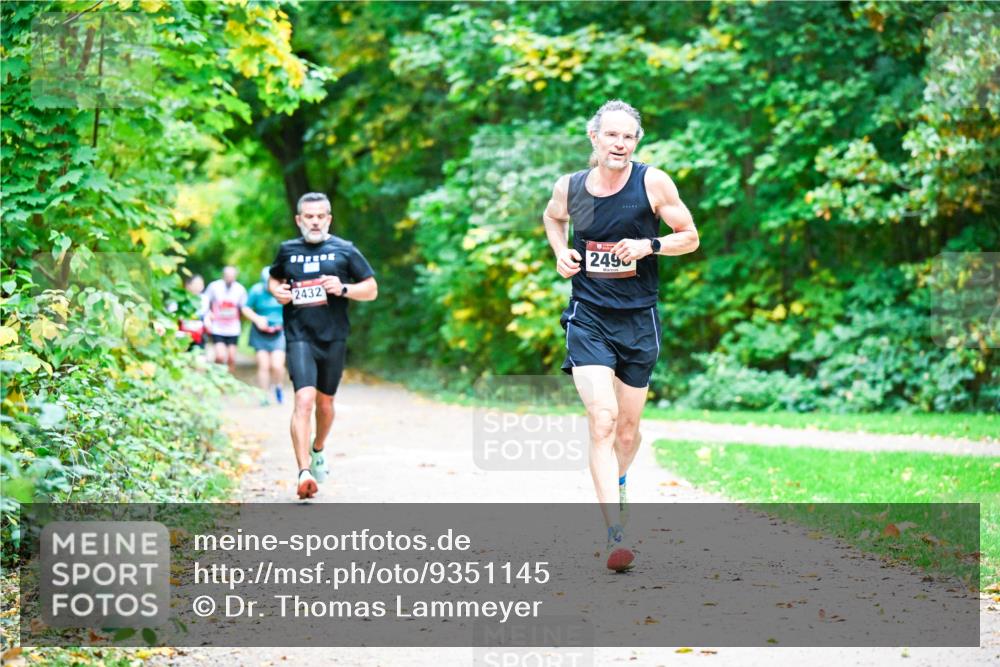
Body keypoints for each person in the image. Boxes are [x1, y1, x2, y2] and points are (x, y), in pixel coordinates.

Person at [541, 100, 699, 570]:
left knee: (628, 433)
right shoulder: (569, 187)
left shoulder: (651, 182)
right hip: (588, 316)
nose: (620, 144)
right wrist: (559, 253)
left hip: (638, 320)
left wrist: (649, 245)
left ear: (636, 142)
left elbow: (689, 235)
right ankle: (613, 536)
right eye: (612, 135)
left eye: (629, 137)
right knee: (604, 420)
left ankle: (618, 484)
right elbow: (554, 219)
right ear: (595, 138)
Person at [268, 192, 378, 499]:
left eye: (320, 217)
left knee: (325, 404)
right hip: (298, 334)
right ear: (299, 219)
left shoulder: (345, 250)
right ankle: (303, 473)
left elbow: (371, 289)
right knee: (303, 400)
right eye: (308, 217)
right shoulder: (288, 250)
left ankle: (318, 449)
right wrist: (279, 293)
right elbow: (274, 280)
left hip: (333, 336)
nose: (314, 222)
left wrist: (343, 288)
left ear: (328, 219)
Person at [244, 267, 287, 405]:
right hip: (260, 332)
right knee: (264, 365)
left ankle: (278, 387)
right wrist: (257, 319)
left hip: (279, 332)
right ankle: (264, 395)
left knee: (277, 365)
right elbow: (246, 308)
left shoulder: (284, 290)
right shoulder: (256, 291)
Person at [204, 266, 248, 375]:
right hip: (218, 327)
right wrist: (209, 315)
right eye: (228, 276)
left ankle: (229, 380)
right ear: (223, 275)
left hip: (233, 328)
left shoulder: (240, 289)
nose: (230, 278)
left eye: (232, 276)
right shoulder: (214, 287)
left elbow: (244, 308)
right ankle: (215, 376)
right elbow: (205, 302)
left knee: (231, 358)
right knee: (220, 356)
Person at [177, 274, 208, 349]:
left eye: (200, 284)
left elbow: (204, 314)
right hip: (182, 333)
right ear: (188, 285)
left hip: (198, 335)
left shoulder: (204, 299)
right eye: (196, 284)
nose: (198, 287)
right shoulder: (179, 297)